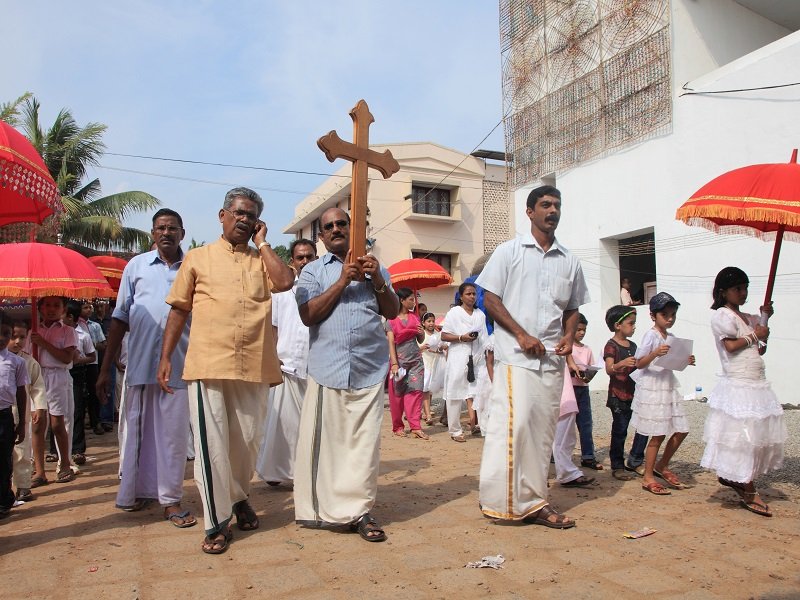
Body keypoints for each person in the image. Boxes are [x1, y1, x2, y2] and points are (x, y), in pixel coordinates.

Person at [158, 188, 294, 554]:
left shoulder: (261, 260)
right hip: (209, 364)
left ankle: (238, 496)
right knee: (211, 445)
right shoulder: (198, 259)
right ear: (222, 215)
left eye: (251, 216)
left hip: (254, 364)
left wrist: (264, 244)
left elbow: (284, 283)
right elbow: (178, 309)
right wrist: (166, 356)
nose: (244, 220)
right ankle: (216, 522)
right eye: (238, 213)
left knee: (246, 443)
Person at [476, 185, 590, 528]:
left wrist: (569, 336)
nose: (552, 210)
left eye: (556, 205)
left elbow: (572, 307)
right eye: (544, 204)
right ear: (529, 212)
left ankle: (536, 502)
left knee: (542, 434)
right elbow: (490, 300)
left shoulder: (569, 260)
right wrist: (521, 334)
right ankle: (502, 502)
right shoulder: (509, 252)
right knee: (515, 427)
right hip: (515, 358)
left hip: (552, 361)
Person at [294, 207, 399, 542]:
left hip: (369, 368)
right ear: (321, 237)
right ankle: (326, 508)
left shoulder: (376, 267)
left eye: (342, 223)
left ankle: (360, 512)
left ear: (352, 228)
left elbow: (393, 312)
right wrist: (343, 281)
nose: (336, 228)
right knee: (331, 447)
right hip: (329, 368)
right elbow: (308, 315)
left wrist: (378, 279)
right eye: (329, 226)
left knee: (364, 448)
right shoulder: (312, 272)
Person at [97, 208, 197, 526]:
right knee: (136, 434)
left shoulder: (193, 267)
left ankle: (170, 501)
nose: (166, 233)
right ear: (152, 233)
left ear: (182, 233)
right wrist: (104, 368)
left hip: (179, 369)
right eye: (160, 228)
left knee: (172, 438)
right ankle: (134, 492)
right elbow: (119, 317)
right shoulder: (136, 266)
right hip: (139, 366)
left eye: (172, 228)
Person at [701, 267, 785, 517]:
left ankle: (739, 477)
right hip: (739, 387)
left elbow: (759, 349)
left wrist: (764, 319)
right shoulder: (721, 316)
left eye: (745, 287)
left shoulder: (747, 318)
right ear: (723, 291)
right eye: (738, 288)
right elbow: (731, 346)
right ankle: (747, 486)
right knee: (744, 439)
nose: (743, 292)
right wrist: (755, 335)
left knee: (755, 437)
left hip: (756, 384)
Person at [256, 238, 317, 487]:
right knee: (283, 425)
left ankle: (308, 471)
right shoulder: (281, 292)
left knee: (311, 425)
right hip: (287, 364)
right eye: (300, 257)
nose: (304, 261)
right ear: (292, 261)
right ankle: (276, 472)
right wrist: (273, 358)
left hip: (315, 367)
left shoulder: (325, 287)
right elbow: (273, 327)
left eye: (309, 256)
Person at [631, 292, 695, 495]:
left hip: (667, 385)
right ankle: (648, 476)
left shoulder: (673, 337)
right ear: (653, 316)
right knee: (657, 433)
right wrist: (655, 353)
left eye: (673, 314)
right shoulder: (651, 335)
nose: (670, 318)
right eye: (665, 314)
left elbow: (674, 361)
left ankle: (662, 465)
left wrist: (687, 360)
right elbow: (639, 363)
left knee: (681, 429)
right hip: (653, 387)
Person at [30, 296, 77, 483]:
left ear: (63, 309)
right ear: (40, 308)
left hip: (57, 377)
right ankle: (40, 471)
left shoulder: (68, 331)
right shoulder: (33, 331)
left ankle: (65, 463)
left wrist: (43, 344)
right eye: (47, 305)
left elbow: (66, 358)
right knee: (37, 424)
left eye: (56, 305)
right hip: (37, 377)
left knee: (58, 423)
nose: (51, 309)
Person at [603, 305, 648, 481]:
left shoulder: (633, 345)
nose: (634, 326)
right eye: (631, 323)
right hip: (618, 395)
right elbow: (609, 369)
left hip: (635, 393)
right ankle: (617, 465)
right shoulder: (611, 346)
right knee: (620, 430)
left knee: (643, 427)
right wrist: (622, 364)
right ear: (617, 325)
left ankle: (635, 460)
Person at [440, 282, 489, 442]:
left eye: (474, 294)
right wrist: (462, 337)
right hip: (458, 357)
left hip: (476, 358)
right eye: (468, 294)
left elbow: (484, 339)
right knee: (455, 393)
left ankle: (480, 425)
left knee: (478, 392)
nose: (472, 297)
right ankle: (455, 430)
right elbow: (444, 336)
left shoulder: (480, 314)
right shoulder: (454, 313)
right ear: (461, 296)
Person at [9, 322, 47, 501]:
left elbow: (37, 386)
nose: (17, 341)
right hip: (3, 412)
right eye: (12, 336)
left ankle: (23, 486)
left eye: (22, 337)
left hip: (21, 413)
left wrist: (39, 407)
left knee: (22, 451)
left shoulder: (29, 361)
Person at [385, 287, 428, 440]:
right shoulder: (391, 319)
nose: (413, 302)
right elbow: (390, 342)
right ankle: (397, 426)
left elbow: (420, 340)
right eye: (410, 299)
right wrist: (395, 363)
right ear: (402, 300)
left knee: (415, 392)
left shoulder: (415, 318)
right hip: (399, 363)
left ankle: (415, 426)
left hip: (416, 361)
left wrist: (422, 333)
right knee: (397, 395)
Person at [0, 317, 29, 519]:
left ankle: (3, 500)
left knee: (4, 460)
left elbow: (21, 393)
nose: (2, 338)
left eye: (6, 334)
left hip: (4, 416)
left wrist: (21, 426)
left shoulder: (16, 362)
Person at [565, 314, 602, 470]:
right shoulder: (566, 348)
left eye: (584, 330)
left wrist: (588, 375)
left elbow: (591, 367)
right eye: (578, 329)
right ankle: (559, 455)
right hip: (568, 389)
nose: (581, 333)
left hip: (583, 389)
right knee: (565, 424)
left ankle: (588, 456)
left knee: (586, 423)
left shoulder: (587, 349)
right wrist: (574, 372)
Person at [63, 300, 96, 467]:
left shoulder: (83, 335)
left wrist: (78, 360)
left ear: (70, 317)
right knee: (58, 414)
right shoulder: (53, 333)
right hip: (58, 373)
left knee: (75, 411)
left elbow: (92, 356)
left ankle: (77, 448)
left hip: (76, 373)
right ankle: (57, 451)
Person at [552, 363, 595, 488]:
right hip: (541, 385)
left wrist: (572, 365)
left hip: (563, 388)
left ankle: (567, 473)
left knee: (565, 434)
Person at [78, 302, 106, 436]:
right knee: (80, 395)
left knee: (93, 392)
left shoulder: (95, 326)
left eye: (90, 307)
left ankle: (96, 421)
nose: (88, 310)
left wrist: (92, 344)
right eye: (85, 307)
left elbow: (103, 344)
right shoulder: (73, 326)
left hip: (92, 363)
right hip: (77, 364)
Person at [419, 312, 446, 425]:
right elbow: (415, 349)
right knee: (425, 389)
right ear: (423, 323)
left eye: (432, 321)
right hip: (425, 364)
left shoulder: (438, 334)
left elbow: (442, 349)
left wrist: (438, 350)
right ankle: (428, 415)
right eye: (428, 321)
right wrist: (423, 347)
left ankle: (425, 411)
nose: (431, 323)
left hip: (436, 365)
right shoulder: (421, 335)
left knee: (430, 390)